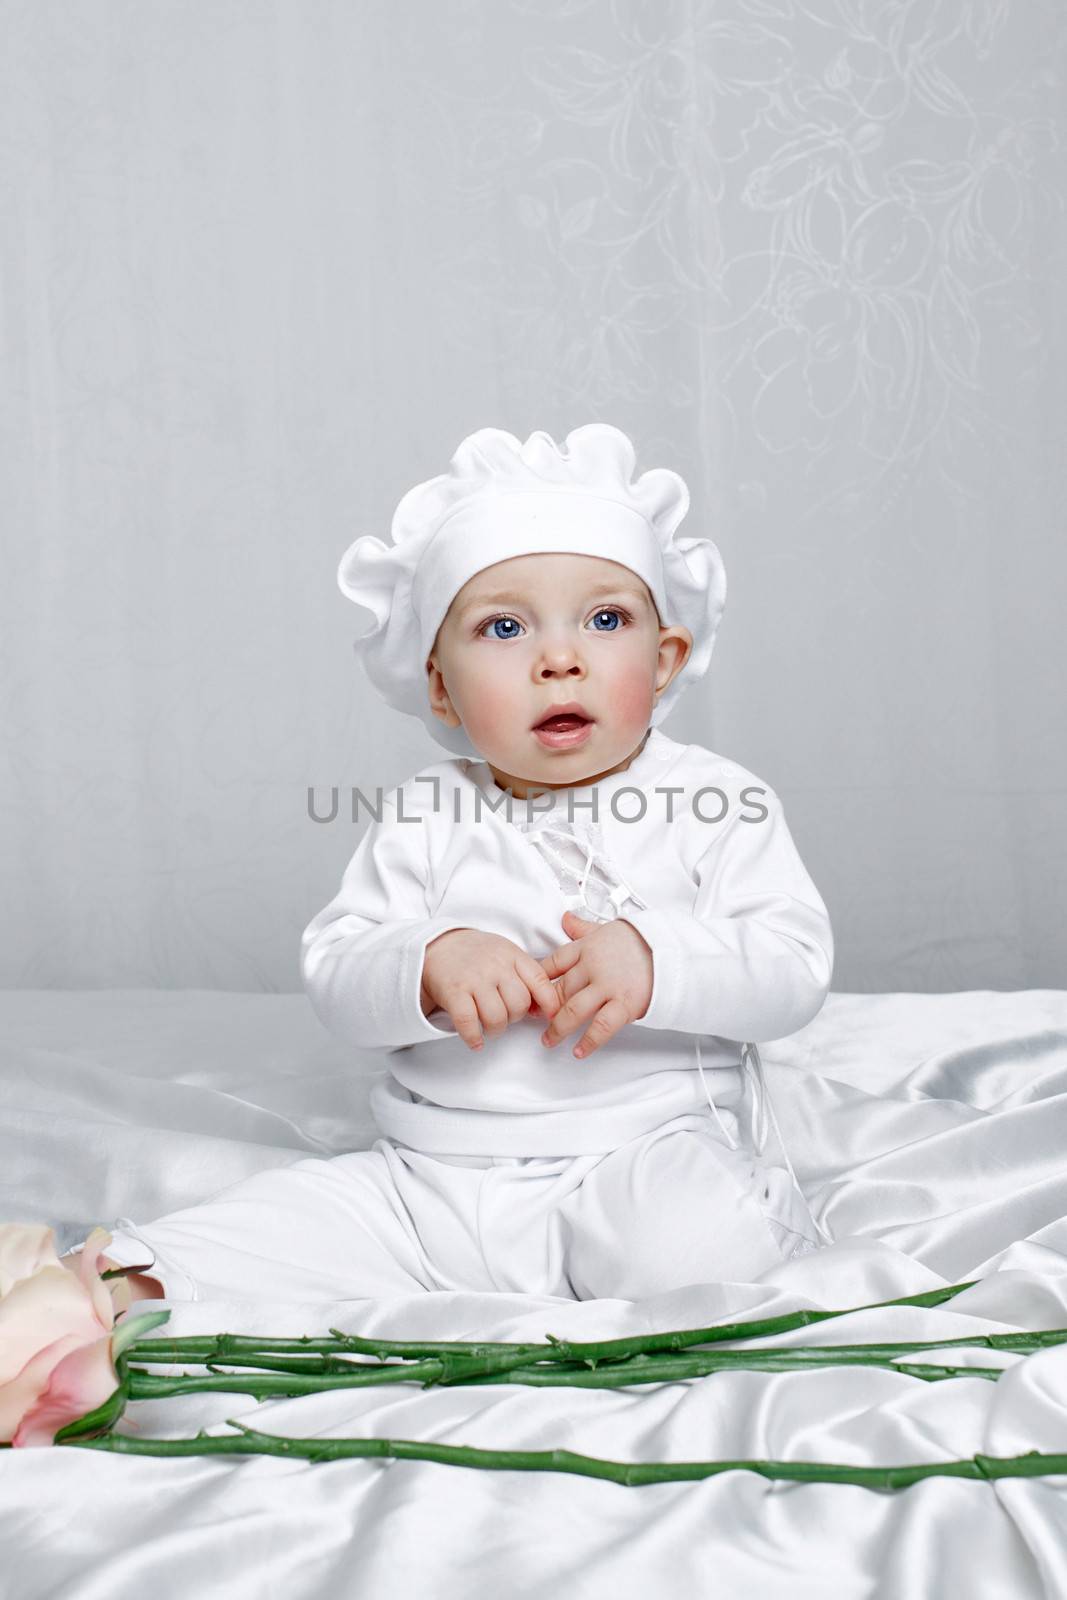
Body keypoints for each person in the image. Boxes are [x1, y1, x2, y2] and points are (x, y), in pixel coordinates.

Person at [89, 424, 835, 1307]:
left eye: (605, 619)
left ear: (665, 660)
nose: (560, 659)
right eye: (504, 627)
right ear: (438, 684)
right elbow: (337, 968)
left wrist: (656, 958)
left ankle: (681, 1256)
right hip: (430, 1176)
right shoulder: (423, 811)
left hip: (641, 1153)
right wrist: (429, 959)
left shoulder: (716, 801)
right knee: (255, 1234)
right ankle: (93, 1304)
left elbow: (791, 965)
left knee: (690, 1250)